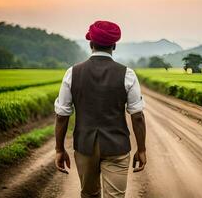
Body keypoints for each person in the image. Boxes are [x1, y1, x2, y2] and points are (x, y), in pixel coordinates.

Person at [54, 20, 147, 198]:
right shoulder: (127, 74)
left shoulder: (72, 73)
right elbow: (137, 117)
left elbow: (62, 116)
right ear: (114, 45)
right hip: (117, 147)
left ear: (91, 44)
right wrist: (141, 149)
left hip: (84, 146)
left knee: (89, 194)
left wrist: (59, 149)